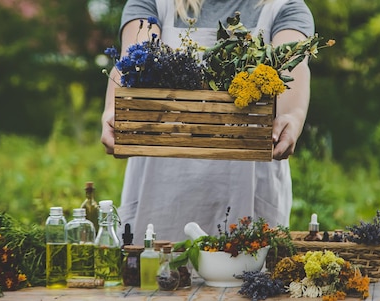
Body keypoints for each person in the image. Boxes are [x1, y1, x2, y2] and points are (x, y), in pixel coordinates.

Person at [101, 0, 314, 245]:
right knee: (156, 272)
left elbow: (292, 70)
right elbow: (133, 59)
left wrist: (291, 117)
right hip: (160, 190)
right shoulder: (153, 3)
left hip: (248, 193)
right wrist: (112, 112)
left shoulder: (285, 7)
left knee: (246, 274)